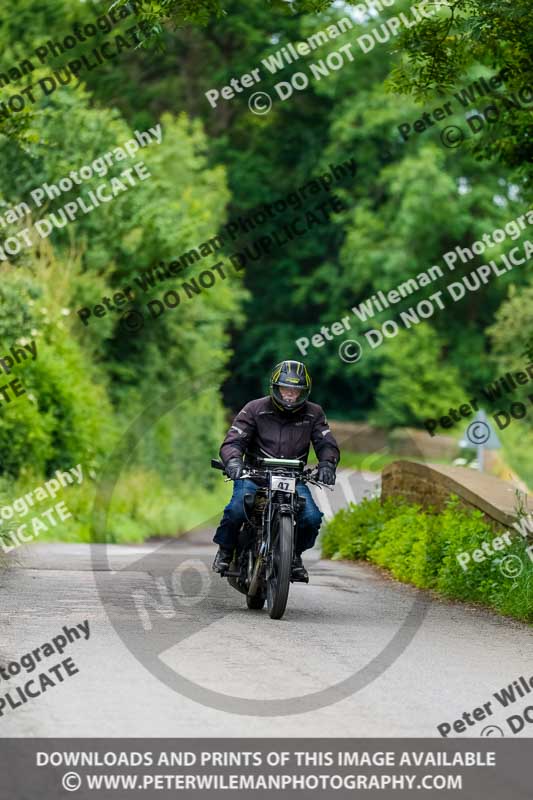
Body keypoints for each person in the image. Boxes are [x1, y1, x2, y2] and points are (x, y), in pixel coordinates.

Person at [212, 360, 340, 581]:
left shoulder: (314, 413)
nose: (290, 395)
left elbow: (326, 443)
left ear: (304, 392)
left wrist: (328, 464)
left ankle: (294, 556)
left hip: (293, 478)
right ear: (275, 388)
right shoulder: (254, 408)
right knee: (236, 509)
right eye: (285, 389)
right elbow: (233, 442)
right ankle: (225, 550)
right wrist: (233, 462)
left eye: (295, 391)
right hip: (254, 475)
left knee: (311, 518)